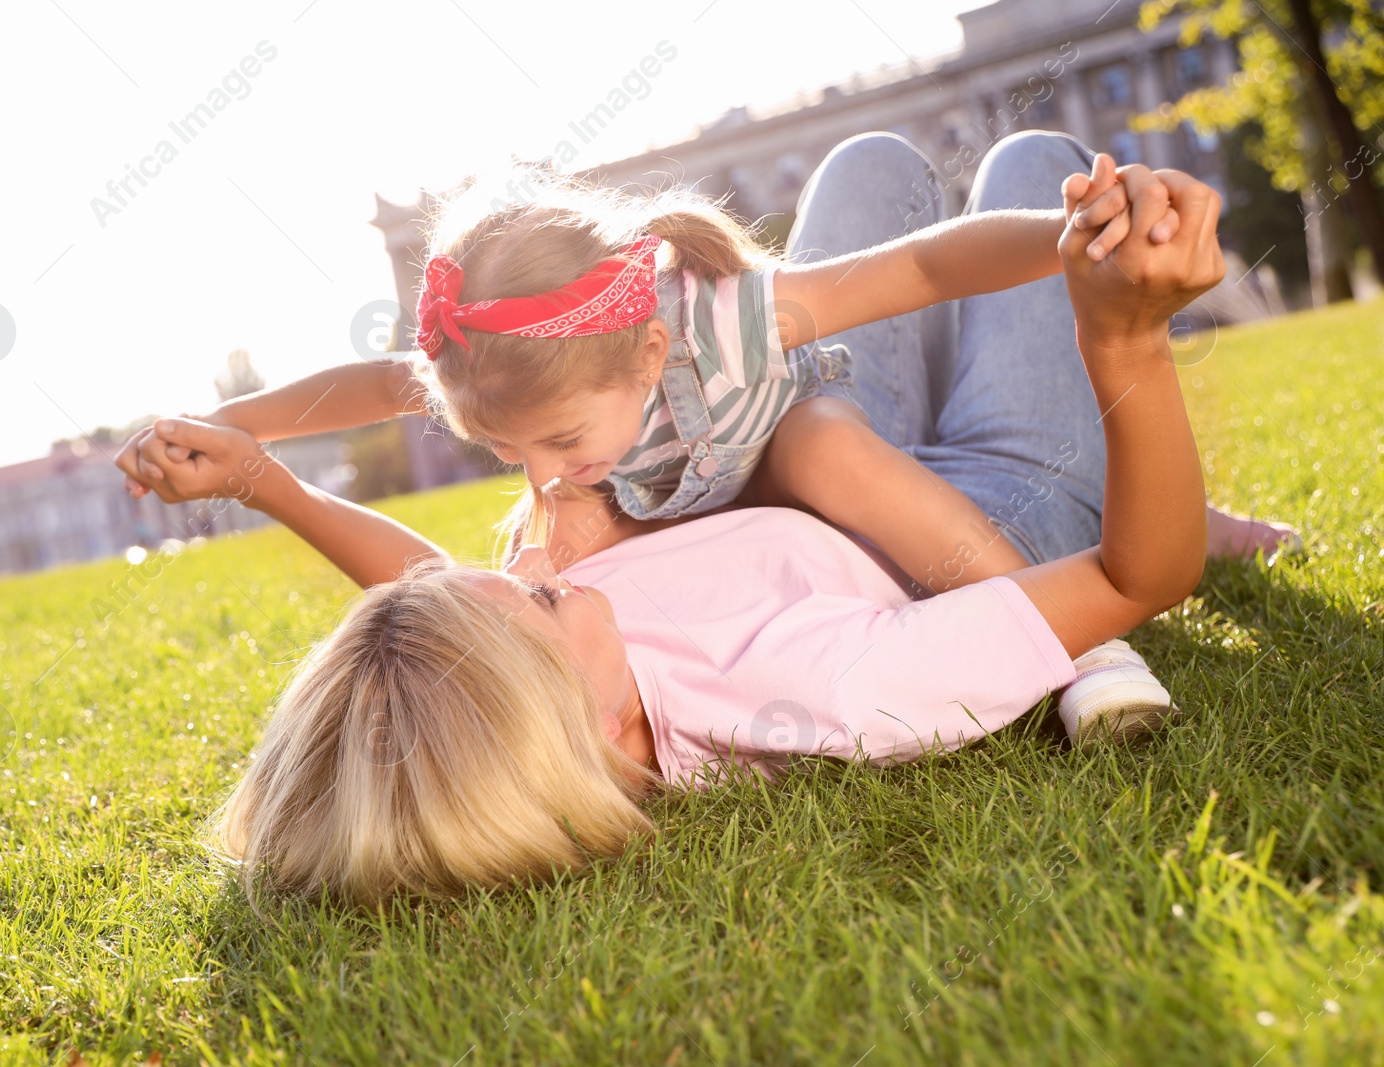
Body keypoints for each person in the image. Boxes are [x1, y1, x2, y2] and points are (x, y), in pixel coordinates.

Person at [119, 132, 1234, 910]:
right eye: (541, 590)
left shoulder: (571, 683)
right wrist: (1124, 336)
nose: (539, 536)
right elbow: (1140, 570)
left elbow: (422, 586)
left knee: (870, 170)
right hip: (993, 518)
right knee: (1042, 173)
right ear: (596, 733)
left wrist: (261, 476)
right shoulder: (816, 682)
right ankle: (1113, 466)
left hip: (801, 439)